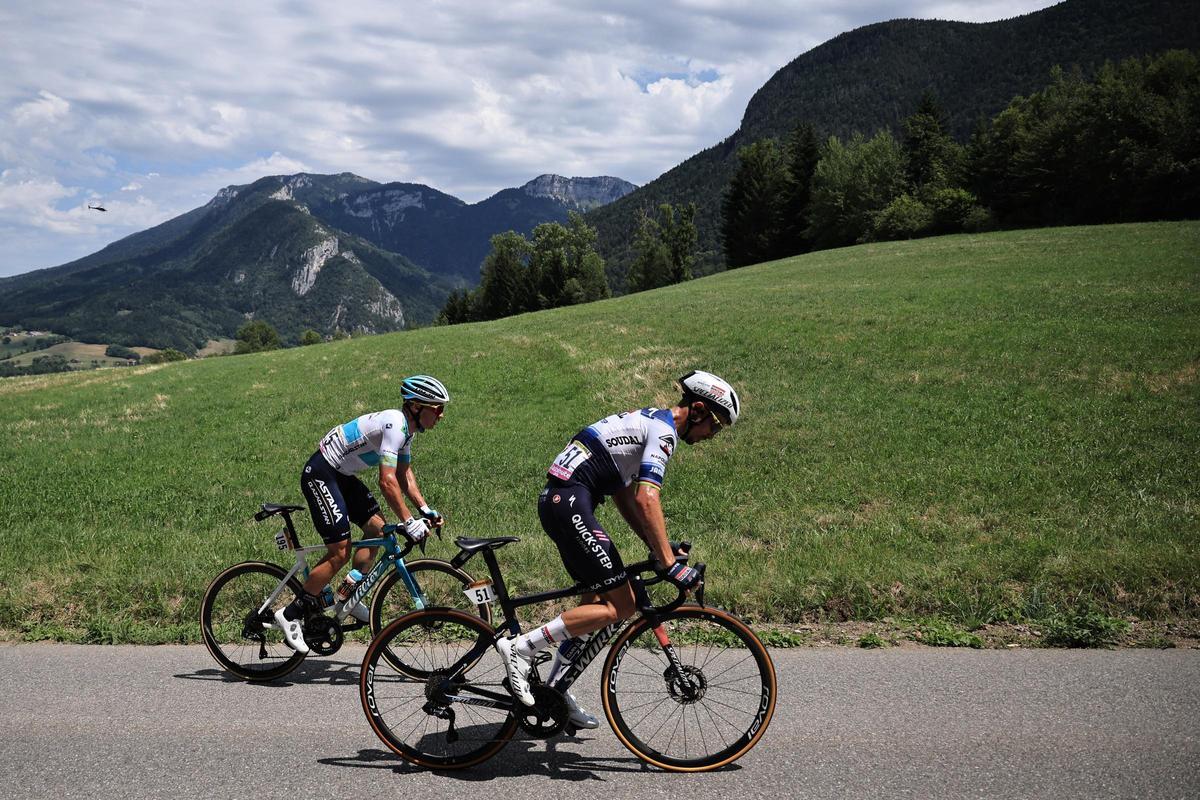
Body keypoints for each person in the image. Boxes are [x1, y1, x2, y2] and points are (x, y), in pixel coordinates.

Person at [496, 370, 740, 728]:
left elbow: (627, 498)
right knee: (622, 605)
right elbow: (647, 498)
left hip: (565, 502)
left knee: (594, 608)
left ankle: (554, 694)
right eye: (715, 427)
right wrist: (670, 564)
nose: (711, 437)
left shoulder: (648, 422)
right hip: (569, 502)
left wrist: (659, 550)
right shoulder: (664, 431)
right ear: (699, 410)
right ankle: (521, 648)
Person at [275, 374, 451, 653]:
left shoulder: (407, 430)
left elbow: (404, 474)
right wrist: (408, 521)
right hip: (322, 472)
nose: (441, 415)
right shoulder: (396, 424)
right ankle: (290, 614)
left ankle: (347, 597)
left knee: (378, 531)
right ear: (417, 407)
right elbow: (387, 481)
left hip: (341, 475)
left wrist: (424, 509)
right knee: (339, 552)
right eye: (437, 408)